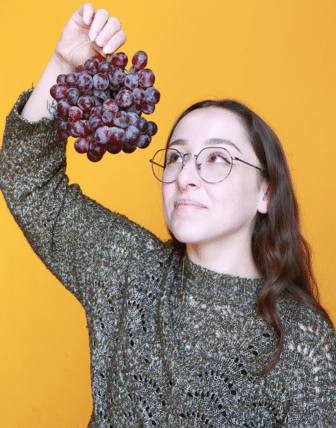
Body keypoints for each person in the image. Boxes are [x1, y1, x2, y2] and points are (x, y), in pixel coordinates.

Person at [0, 3, 335, 427]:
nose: (186, 176)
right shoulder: (128, 269)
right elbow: (27, 179)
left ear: (265, 192)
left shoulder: (304, 344)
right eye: (176, 157)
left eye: (217, 158)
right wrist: (64, 63)